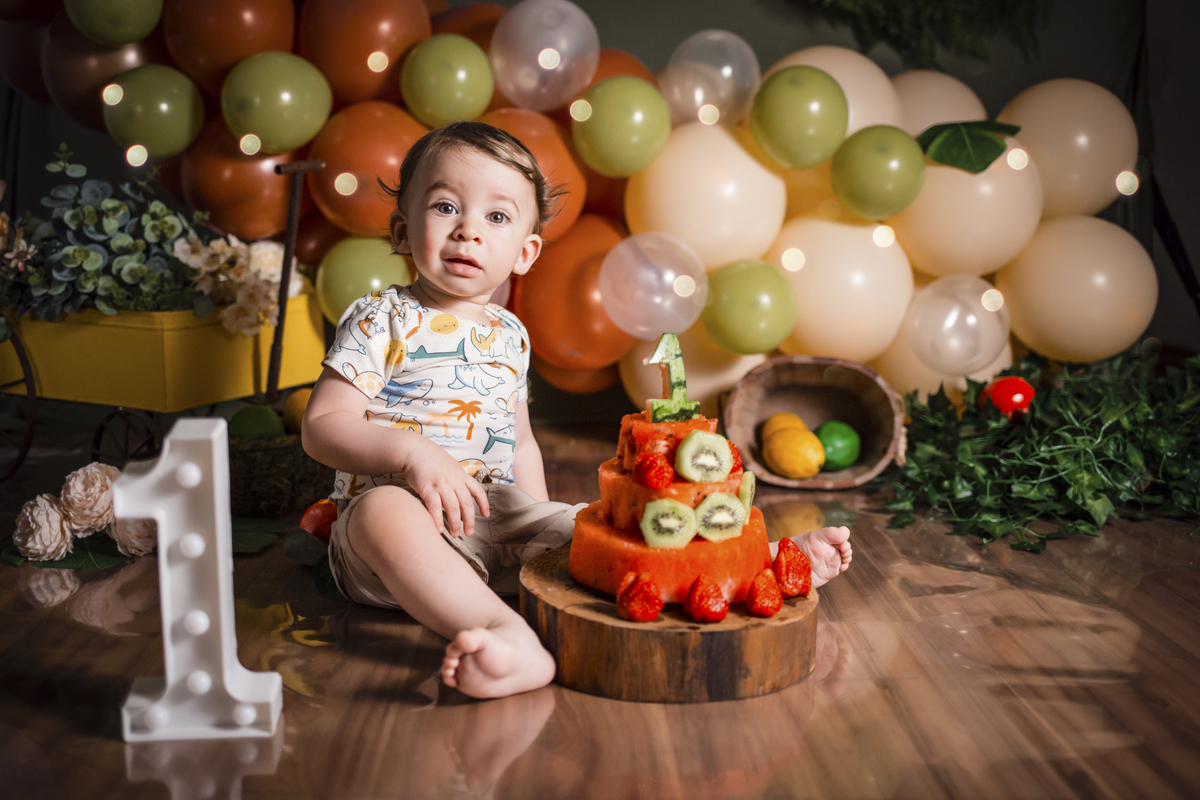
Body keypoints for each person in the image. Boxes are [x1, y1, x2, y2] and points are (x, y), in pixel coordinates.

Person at [302, 121, 853, 700]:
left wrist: (539, 521)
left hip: (493, 518)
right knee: (381, 513)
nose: (468, 230)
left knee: (589, 528)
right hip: (396, 537)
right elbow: (322, 427)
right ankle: (499, 633)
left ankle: (755, 563)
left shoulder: (510, 334)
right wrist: (413, 454)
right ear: (401, 229)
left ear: (525, 253)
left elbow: (519, 442)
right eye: (445, 207)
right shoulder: (381, 319)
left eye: (497, 216)